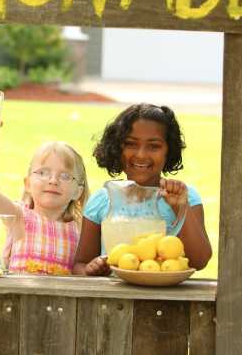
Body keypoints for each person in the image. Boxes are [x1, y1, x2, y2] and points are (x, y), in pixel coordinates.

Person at [72, 103, 212, 276]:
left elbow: (199, 261)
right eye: (131, 143)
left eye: (153, 146)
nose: (140, 154)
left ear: (169, 151)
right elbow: (80, 264)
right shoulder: (102, 200)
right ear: (117, 147)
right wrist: (90, 270)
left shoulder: (184, 195)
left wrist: (179, 206)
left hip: (164, 299)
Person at [0, 114, 90, 275]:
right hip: (17, 299)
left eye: (65, 176)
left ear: (78, 191)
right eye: (43, 173)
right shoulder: (19, 217)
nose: (53, 180)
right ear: (28, 184)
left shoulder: (81, 229)